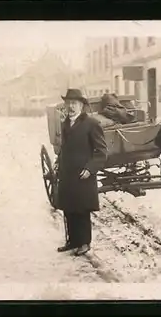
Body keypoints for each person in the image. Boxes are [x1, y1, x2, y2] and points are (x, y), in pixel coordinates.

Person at [54, 89, 107, 256]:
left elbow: (101, 151)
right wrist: (58, 162)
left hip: (83, 174)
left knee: (82, 209)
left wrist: (90, 169)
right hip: (67, 173)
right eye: (68, 103)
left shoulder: (91, 124)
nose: (71, 106)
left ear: (82, 106)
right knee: (69, 207)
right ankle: (73, 241)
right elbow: (65, 147)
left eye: (74, 103)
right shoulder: (65, 123)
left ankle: (84, 242)